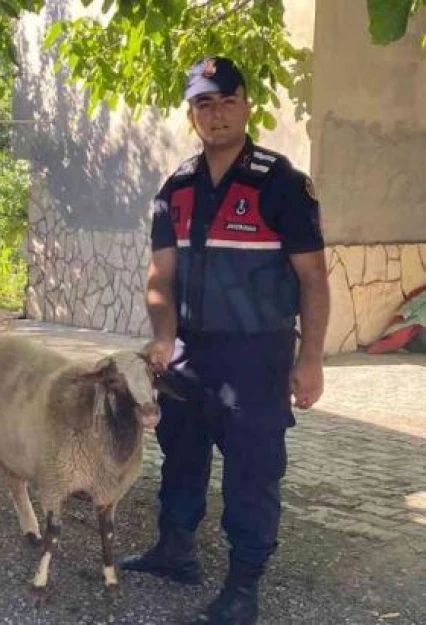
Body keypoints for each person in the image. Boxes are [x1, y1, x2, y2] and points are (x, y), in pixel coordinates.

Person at [120, 57, 330, 625]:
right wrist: (163, 339)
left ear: (246, 107)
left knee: (252, 469)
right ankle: (175, 549)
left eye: (226, 101)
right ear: (192, 115)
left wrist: (309, 359)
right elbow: (160, 277)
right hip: (190, 353)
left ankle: (244, 585)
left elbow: (313, 278)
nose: (215, 114)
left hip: (257, 356)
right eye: (203, 104)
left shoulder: (281, 184)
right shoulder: (178, 188)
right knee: (181, 453)